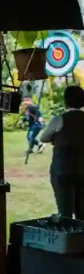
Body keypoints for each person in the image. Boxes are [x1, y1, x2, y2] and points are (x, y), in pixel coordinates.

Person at [39, 86, 84, 219]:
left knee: (65, 212)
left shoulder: (59, 119)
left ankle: (68, 232)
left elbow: (43, 138)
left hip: (62, 170)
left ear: (65, 101)